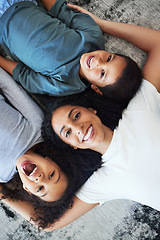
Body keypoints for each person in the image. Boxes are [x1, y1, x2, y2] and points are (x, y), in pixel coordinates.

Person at [40, 5, 160, 231]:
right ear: (72, 146)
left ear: (91, 110)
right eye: (67, 133)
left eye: (75, 116)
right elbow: (50, 225)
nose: (78, 128)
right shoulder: (102, 182)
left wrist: (101, 24)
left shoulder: (139, 108)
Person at [0, 0, 141, 103]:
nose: (98, 61)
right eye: (109, 58)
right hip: (22, 4)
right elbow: (60, 9)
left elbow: (24, 75)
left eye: (102, 73)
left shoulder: (64, 85)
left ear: (96, 88)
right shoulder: (92, 37)